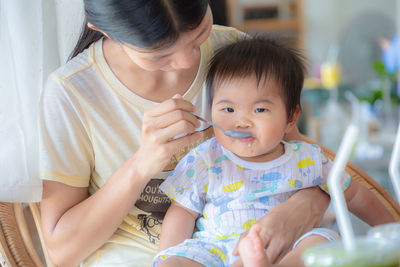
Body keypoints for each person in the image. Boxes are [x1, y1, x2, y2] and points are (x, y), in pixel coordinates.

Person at [39, 1, 394, 266]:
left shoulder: (237, 55)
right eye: (160, 56)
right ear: (106, 31)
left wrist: (305, 206)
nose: (187, 62)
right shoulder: (71, 93)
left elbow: (297, 157)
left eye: (198, 37)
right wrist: (141, 164)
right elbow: (60, 251)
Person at [153, 37, 395, 267]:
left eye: (259, 110)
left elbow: (354, 196)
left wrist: (392, 228)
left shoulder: (307, 158)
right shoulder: (205, 158)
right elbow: (183, 211)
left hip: (285, 248)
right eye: (228, 109)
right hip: (215, 250)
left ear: (291, 118)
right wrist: (168, 256)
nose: (242, 121)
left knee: (321, 241)